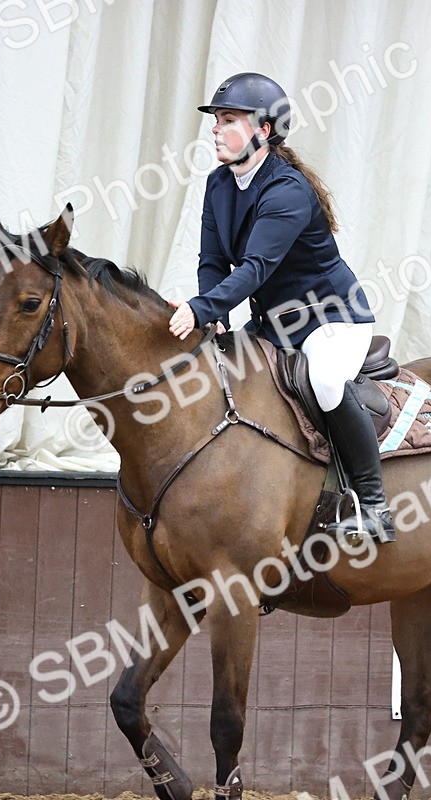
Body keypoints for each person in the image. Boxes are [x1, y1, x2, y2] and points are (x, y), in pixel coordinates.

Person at [166, 72, 396, 544]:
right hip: (274, 324)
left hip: (332, 318)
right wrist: (213, 319)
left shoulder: (287, 191)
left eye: (228, 120)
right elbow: (212, 260)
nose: (215, 129)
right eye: (216, 120)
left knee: (326, 380)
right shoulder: (218, 185)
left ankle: (374, 505)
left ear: (263, 130)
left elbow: (255, 268)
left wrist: (199, 306)